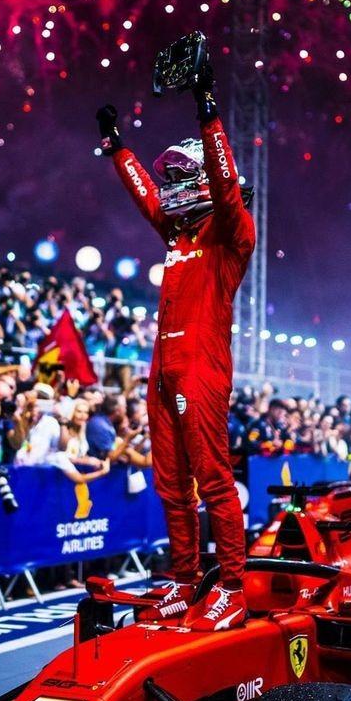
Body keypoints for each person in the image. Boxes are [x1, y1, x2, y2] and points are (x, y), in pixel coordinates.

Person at [97, 56, 255, 631]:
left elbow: (219, 174)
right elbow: (146, 196)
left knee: (212, 476)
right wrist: (118, 148)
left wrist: (207, 107)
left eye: (182, 178)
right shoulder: (177, 231)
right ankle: (187, 580)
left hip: (201, 369)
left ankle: (232, 587)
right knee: (170, 482)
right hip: (163, 367)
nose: (173, 188)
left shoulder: (232, 235)